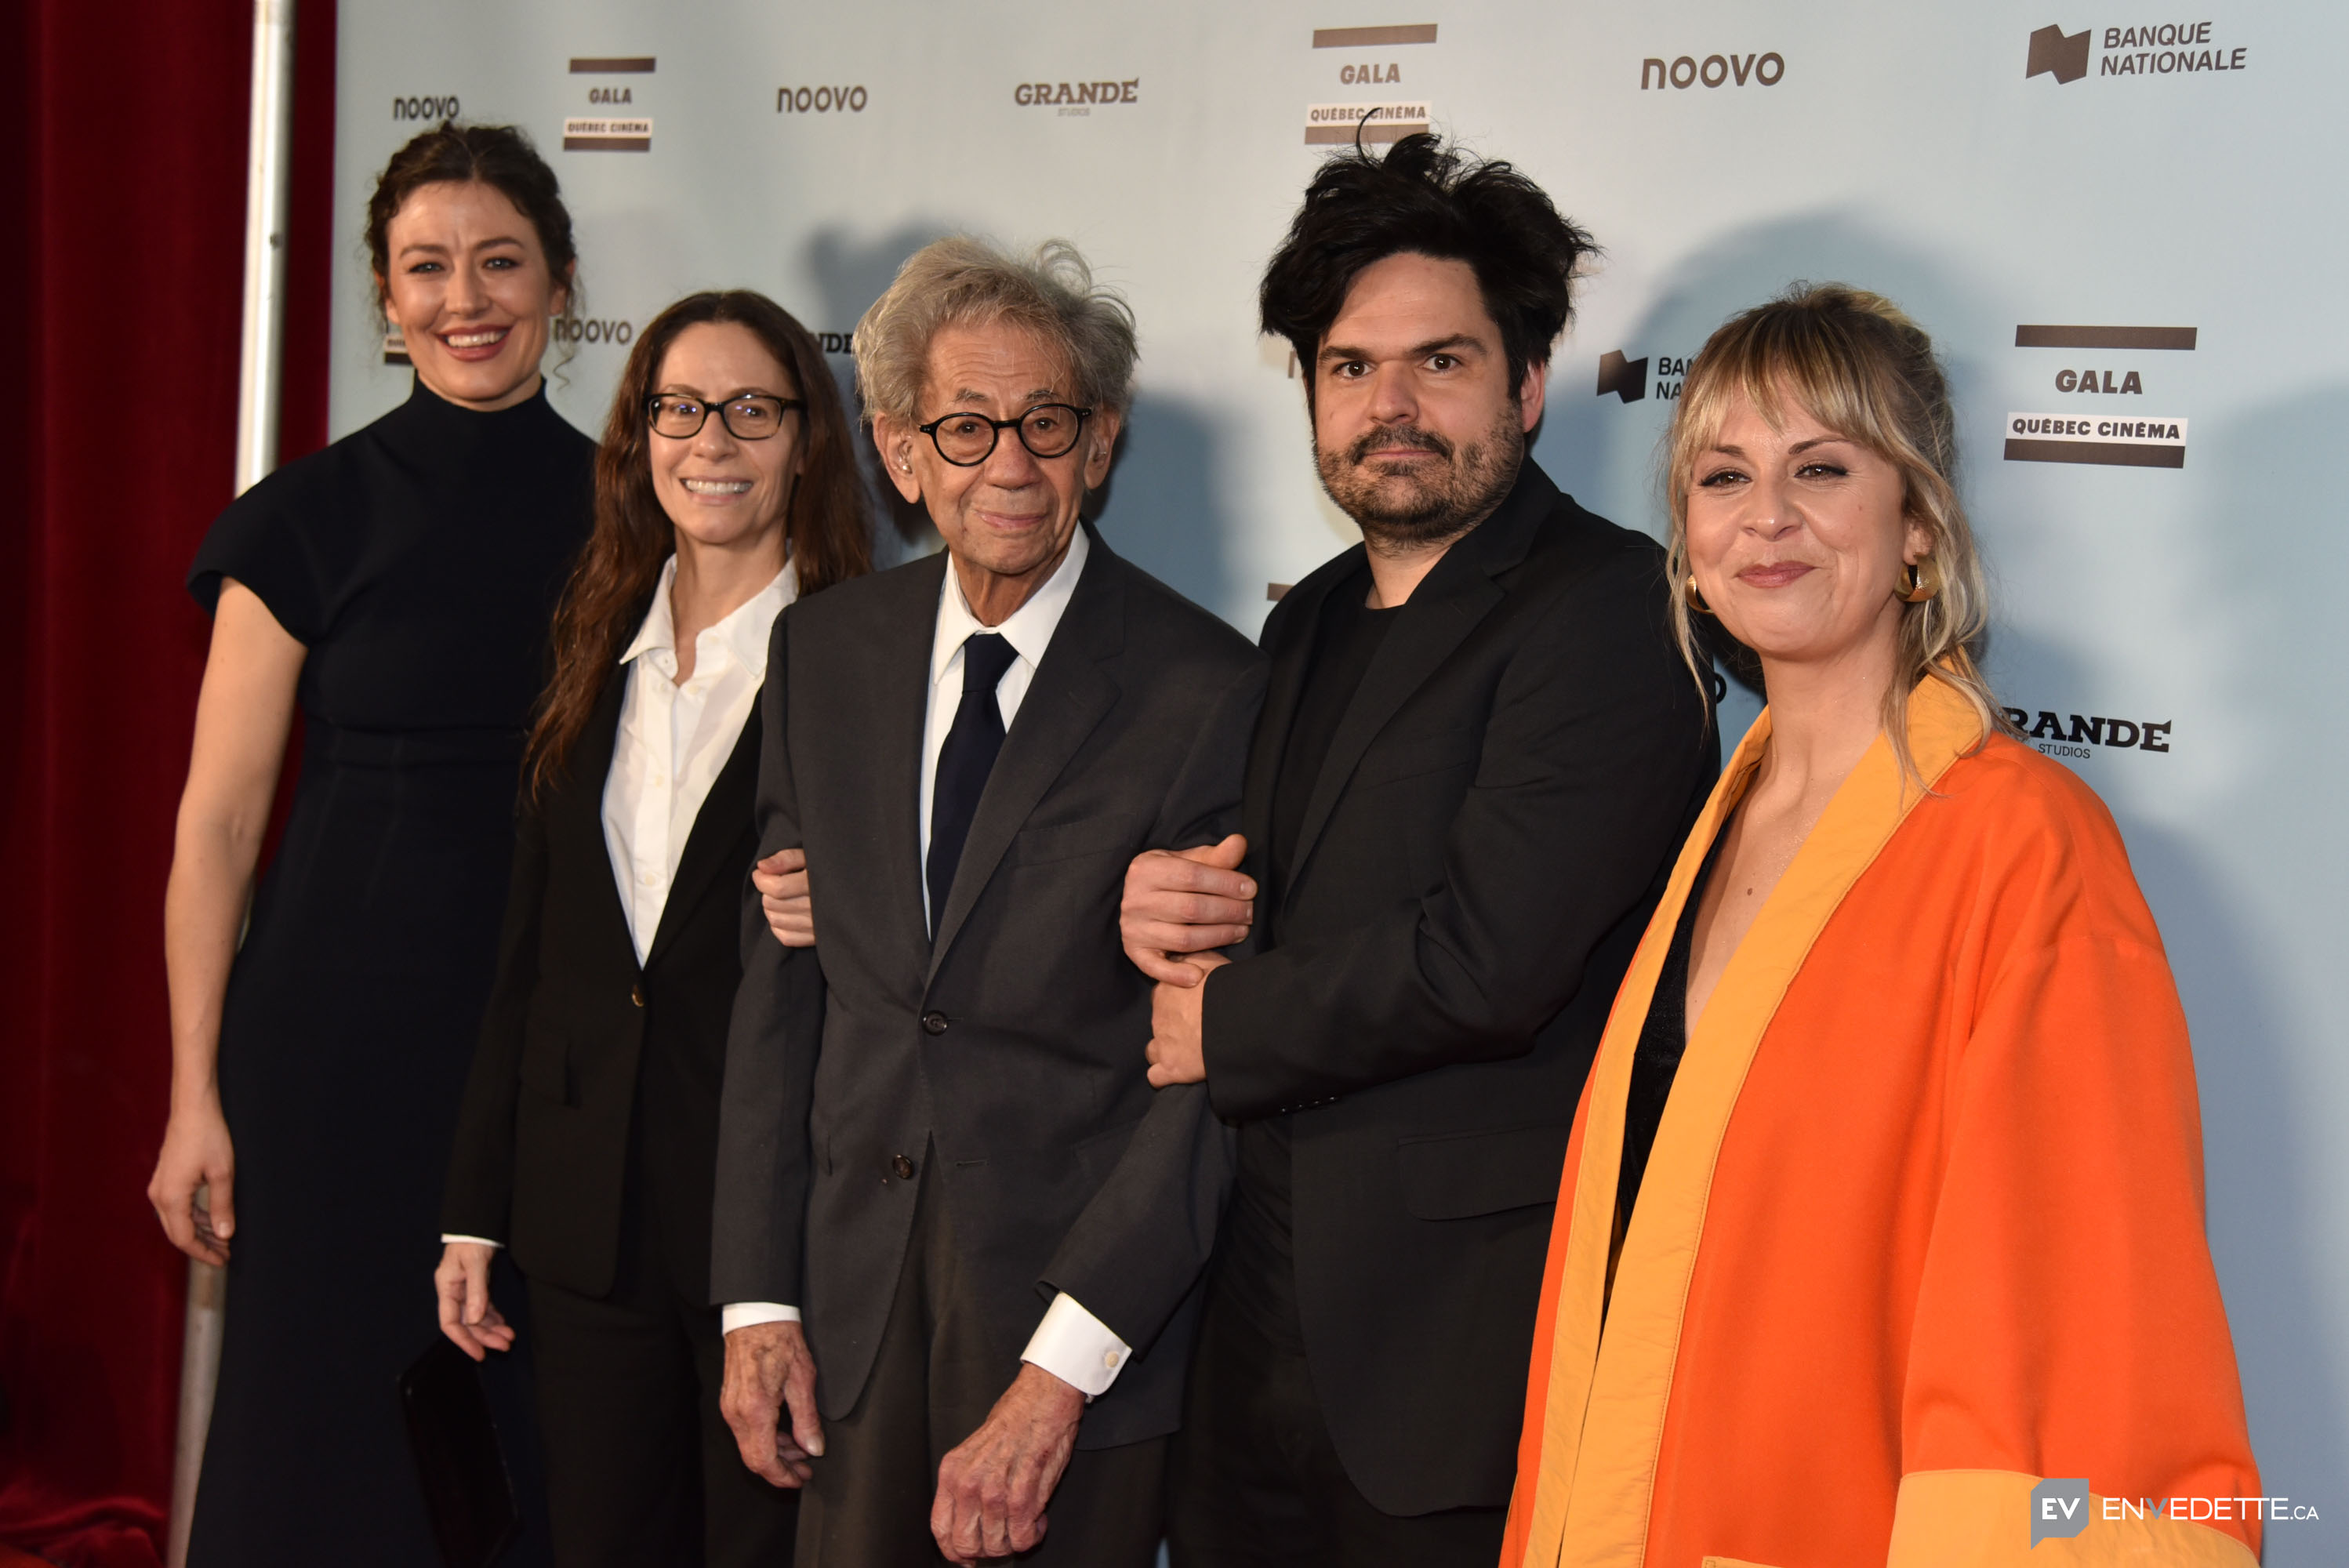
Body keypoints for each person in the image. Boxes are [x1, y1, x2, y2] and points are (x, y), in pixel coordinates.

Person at [1501, 285, 2262, 1566]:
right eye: (1725, 477)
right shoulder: (1707, 827)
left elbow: (2080, 1310)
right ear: (1687, 541)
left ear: (1917, 521)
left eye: (1823, 468)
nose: (1769, 518)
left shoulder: (2024, 845)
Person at [1117, 134, 1715, 1565]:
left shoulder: (1611, 610)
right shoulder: (1307, 618)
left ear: (1524, 386)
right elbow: (1269, 896)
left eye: (1439, 364)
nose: (1390, 406)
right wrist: (1167, 908)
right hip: (1253, 1328)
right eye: (1349, 368)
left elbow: (1490, 959)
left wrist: (1228, 1017)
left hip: (1461, 1354)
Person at [710, 236, 1264, 1568]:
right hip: (843, 1318)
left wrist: (1062, 1366)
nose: (1008, 464)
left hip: (1073, 1344)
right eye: (965, 428)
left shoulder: (1209, 687)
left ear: (1101, 443)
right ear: (901, 453)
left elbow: (1204, 1076)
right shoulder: (822, 653)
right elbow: (783, 997)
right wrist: (757, 1300)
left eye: (1046, 424)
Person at [149, 123, 591, 1565]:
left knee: (519, 1417)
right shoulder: (302, 523)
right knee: (318, 1420)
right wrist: (191, 1092)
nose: (467, 296)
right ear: (385, 300)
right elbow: (216, 825)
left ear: (561, 283)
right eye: (427, 266)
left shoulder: (642, 517)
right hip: (330, 1047)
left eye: (501, 260)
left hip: (546, 1043)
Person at [432, 290, 870, 1566]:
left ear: (807, 442)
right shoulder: (588, 653)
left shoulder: (867, 664)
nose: (712, 441)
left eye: (752, 410)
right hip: (585, 1225)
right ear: (638, 439)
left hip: (776, 1229)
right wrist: (475, 1208)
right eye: (679, 408)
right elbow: (533, 958)